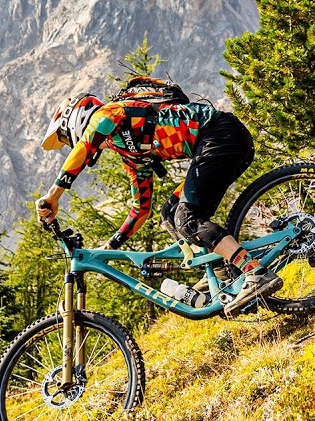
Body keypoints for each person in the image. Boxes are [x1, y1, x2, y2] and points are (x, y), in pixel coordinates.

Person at [35, 90, 280, 316]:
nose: (70, 144)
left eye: (66, 138)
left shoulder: (109, 112)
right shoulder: (131, 154)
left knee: (187, 218)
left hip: (219, 135)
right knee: (170, 212)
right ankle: (222, 274)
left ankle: (254, 271)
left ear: (77, 119)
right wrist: (109, 247)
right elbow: (140, 209)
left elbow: (85, 146)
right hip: (220, 142)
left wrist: (53, 195)